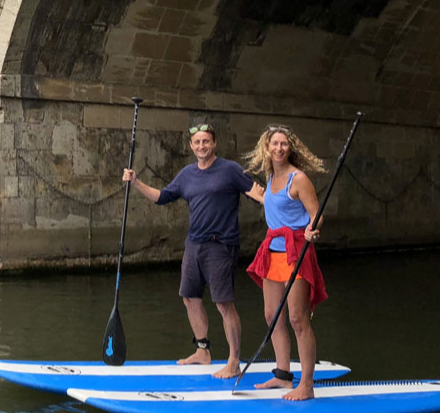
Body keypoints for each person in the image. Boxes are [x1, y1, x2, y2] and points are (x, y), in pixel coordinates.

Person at [122, 124, 260, 378]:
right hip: (193, 245)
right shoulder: (187, 174)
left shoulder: (230, 170)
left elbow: (257, 194)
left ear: (214, 143)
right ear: (191, 146)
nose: (201, 146)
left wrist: (284, 207)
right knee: (189, 298)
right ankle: (202, 350)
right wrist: (136, 182)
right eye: (197, 142)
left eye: (206, 141)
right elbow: (162, 197)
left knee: (223, 304)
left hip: (221, 245)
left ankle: (234, 361)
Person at [243, 125, 328, 401]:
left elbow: (317, 215)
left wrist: (312, 229)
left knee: (297, 318)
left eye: (283, 144)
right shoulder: (270, 176)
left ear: (290, 148)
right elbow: (275, 206)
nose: (279, 148)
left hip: (295, 253)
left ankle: (307, 384)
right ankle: (282, 375)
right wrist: (260, 196)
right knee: (272, 315)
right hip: (273, 253)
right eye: (274, 144)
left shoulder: (298, 179)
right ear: (266, 148)